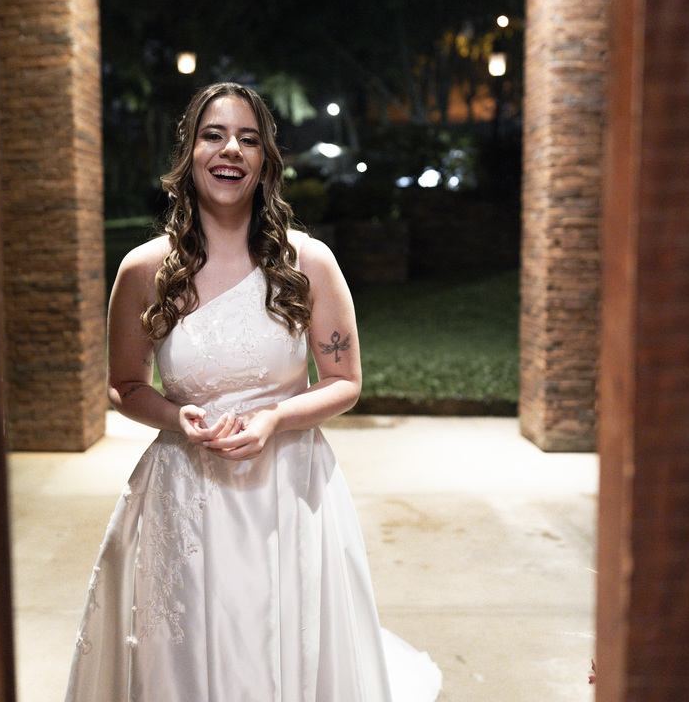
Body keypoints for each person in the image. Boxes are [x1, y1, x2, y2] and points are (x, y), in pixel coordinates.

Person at [64, 82, 441, 702]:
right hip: (184, 492)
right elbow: (124, 385)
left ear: (265, 160)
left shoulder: (308, 263)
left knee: (283, 644)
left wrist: (273, 420)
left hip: (287, 486)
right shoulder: (144, 270)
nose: (231, 150)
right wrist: (176, 417)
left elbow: (345, 382)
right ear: (189, 152)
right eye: (213, 135)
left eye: (248, 138)